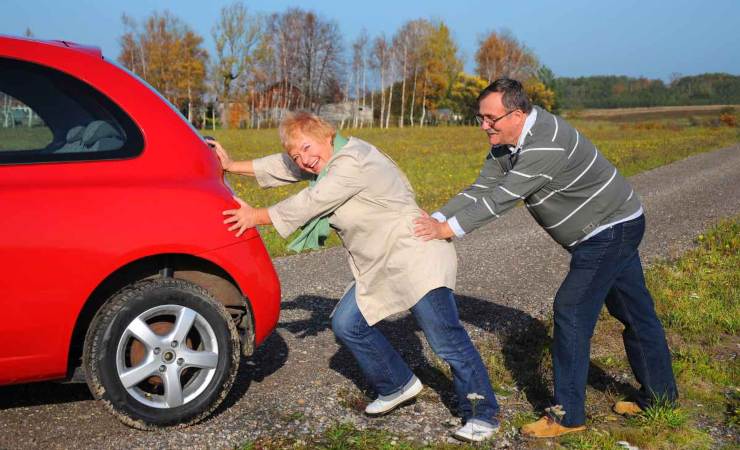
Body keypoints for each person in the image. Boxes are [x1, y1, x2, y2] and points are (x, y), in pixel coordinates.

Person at [207, 111, 500, 442]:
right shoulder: (327, 160)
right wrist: (231, 166)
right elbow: (286, 166)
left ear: (327, 135)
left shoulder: (352, 161)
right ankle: (398, 384)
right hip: (379, 262)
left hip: (414, 254)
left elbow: (313, 201)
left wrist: (255, 216)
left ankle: (483, 413)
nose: (304, 160)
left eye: (307, 148)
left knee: (445, 338)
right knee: (348, 323)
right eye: (297, 153)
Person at [413, 79, 678, 438]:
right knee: (634, 312)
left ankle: (567, 416)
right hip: (605, 228)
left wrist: (448, 231)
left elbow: (501, 199)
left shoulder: (545, 144)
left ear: (518, 113)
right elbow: (480, 189)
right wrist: (436, 218)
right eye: (480, 117)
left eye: (491, 118)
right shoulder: (506, 144)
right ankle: (661, 398)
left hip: (609, 230)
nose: (484, 126)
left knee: (570, 310)